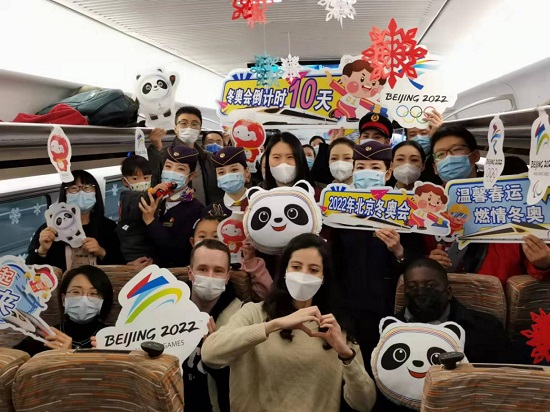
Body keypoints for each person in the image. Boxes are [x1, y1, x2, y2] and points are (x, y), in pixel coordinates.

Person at [202, 233, 376, 412]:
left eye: (313, 270)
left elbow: (365, 403)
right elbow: (210, 354)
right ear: (285, 270)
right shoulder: (254, 313)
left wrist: (346, 354)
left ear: (324, 277)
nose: (303, 275)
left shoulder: (334, 327)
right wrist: (274, 325)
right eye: (296, 267)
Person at [330, 141, 424, 368]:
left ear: (388, 173)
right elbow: (334, 258)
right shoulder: (340, 209)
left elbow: (417, 261)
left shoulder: (403, 207)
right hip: (348, 303)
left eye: (375, 167)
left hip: (387, 304)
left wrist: (398, 250)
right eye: (361, 167)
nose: (367, 173)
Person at [426, 126, 550, 284]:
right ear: (435, 168)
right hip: (446, 292)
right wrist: (429, 262)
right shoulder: (428, 206)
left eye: (456, 150)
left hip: (498, 292)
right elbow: (419, 255)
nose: (448, 158)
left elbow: (538, 264)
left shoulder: (512, 198)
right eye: (440, 154)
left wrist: (543, 263)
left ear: (475, 156)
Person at [395, 257, 516, 364]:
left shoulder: (487, 329)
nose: (421, 292)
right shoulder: (390, 330)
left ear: (448, 292)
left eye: (430, 285)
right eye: (412, 287)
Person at [183, 239, 242, 412]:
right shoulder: (167, 306)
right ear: (190, 273)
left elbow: (241, 381)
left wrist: (215, 355)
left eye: (218, 271)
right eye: (202, 269)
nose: (209, 276)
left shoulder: (240, 316)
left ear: (227, 277)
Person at [27, 170, 123, 272]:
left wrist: (101, 252)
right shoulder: (50, 230)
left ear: (95, 192)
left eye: (87, 187)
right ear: (64, 193)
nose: (81, 192)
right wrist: (42, 251)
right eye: (73, 188)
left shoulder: (108, 227)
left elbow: (121, 265)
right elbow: (29, 270)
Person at [14, 265, 113, 356]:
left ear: (103, 301)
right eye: (76, 292)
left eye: (93, 293)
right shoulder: (47, 336)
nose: (84, 299)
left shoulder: (113, 337)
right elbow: (12, 361)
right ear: (63, 299)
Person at [140, 145, 206, 267]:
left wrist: (150, 221)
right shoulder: (156, 199)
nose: (172, 172)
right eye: (168, 166)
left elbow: (178, 250)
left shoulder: (196, 209)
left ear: (190, 176)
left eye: (180, 169)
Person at [147, 106, 224, 205]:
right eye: (183, 123)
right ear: (175, 129)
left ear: (200, 129)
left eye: (194, 124)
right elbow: (152, 182)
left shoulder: (209, 158)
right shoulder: (165, 156)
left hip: (205, 211)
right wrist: (155, 148)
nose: (189, 127)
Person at [116, 154, 158, 268]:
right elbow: (139, 203)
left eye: (146, 178)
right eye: (135, 179)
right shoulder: (127, 196)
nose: (142, 182)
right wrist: (154, 192)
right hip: (134, 253)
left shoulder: (144, 195)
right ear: (125, 181)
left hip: (145, 250)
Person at [206, 147, 251, 219]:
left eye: (234, 170)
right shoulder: (210, 212)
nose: (228, 176)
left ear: (246, 172)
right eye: (221, 172)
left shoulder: (259, 203)